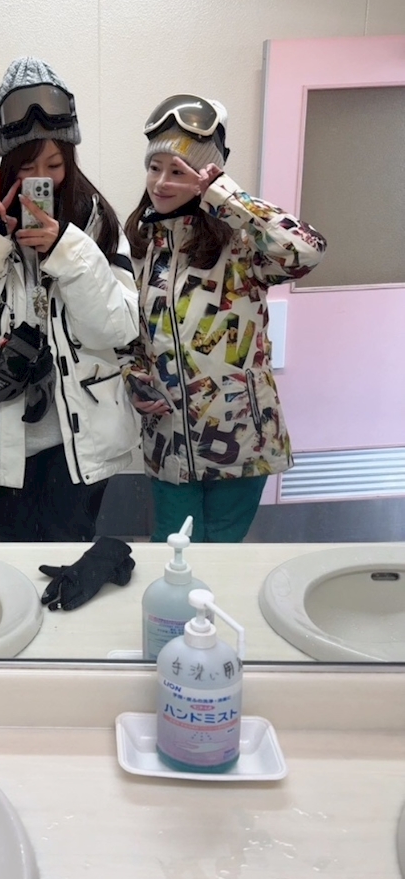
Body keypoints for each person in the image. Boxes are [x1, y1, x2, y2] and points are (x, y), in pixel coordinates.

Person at [0, 57, 141, 542]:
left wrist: (67, 251)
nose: (43, 179)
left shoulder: (98, 224)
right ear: (6, 166)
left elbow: (117, 328)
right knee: (6, 560)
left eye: (54, 165)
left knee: (67, 556)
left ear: (71, 159)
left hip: (80, 444)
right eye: (27, 167)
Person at [122, 94, 327, 543]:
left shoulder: (243, 245)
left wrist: (226, 197)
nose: (161, 182)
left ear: (205, 176)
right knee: (173, 553)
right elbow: (129, 334)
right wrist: (133, 376)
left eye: (179, 171)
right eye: (155, 167)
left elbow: (307, 250)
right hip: (169, 441)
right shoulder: (140, 243)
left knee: (223, 558)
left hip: (242, 440)